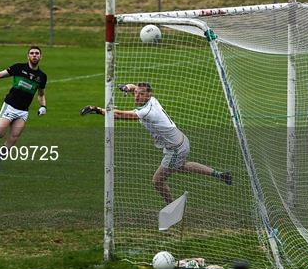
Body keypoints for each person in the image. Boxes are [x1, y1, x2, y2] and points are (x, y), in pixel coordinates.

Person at [80, 82, 232, 205]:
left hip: (175, 149)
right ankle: (219, 175)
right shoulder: (152, 100)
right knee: (182, 167)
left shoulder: (147, 112)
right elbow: (134, 86)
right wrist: (128, 87)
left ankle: (172, 206)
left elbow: (119, 114)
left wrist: (97, 110)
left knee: (157, 181)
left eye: (141, 94)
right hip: (181, 141)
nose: (137, 96)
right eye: (136, 93)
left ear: (148, 95)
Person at [0, 46, 47, 171]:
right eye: (32, 53)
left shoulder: (42, 76)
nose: (34, 55)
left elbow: (41, 94)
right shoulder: (19, 68)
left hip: (23, 112)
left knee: (14, 138)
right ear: (28, 56)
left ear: (41, 56)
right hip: (10, 106)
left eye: (37, 53)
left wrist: (43, 106)